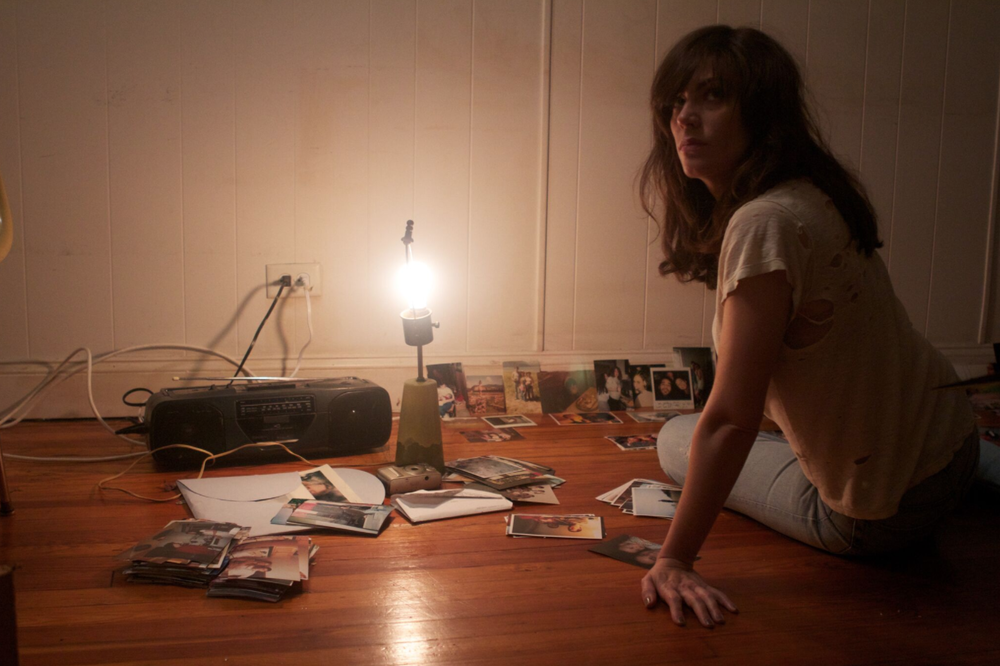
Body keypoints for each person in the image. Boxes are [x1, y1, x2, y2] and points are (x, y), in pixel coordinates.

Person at [636, 25, 978, 629]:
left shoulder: (763, 222)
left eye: (712, 96)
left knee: (675, 439)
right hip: (954, 441)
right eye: (676, 102)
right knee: (705, 432)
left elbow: (733, 420)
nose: (684, 118)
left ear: (762, 111)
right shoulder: (811, 191)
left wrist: (675, 560)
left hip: (882, 512)